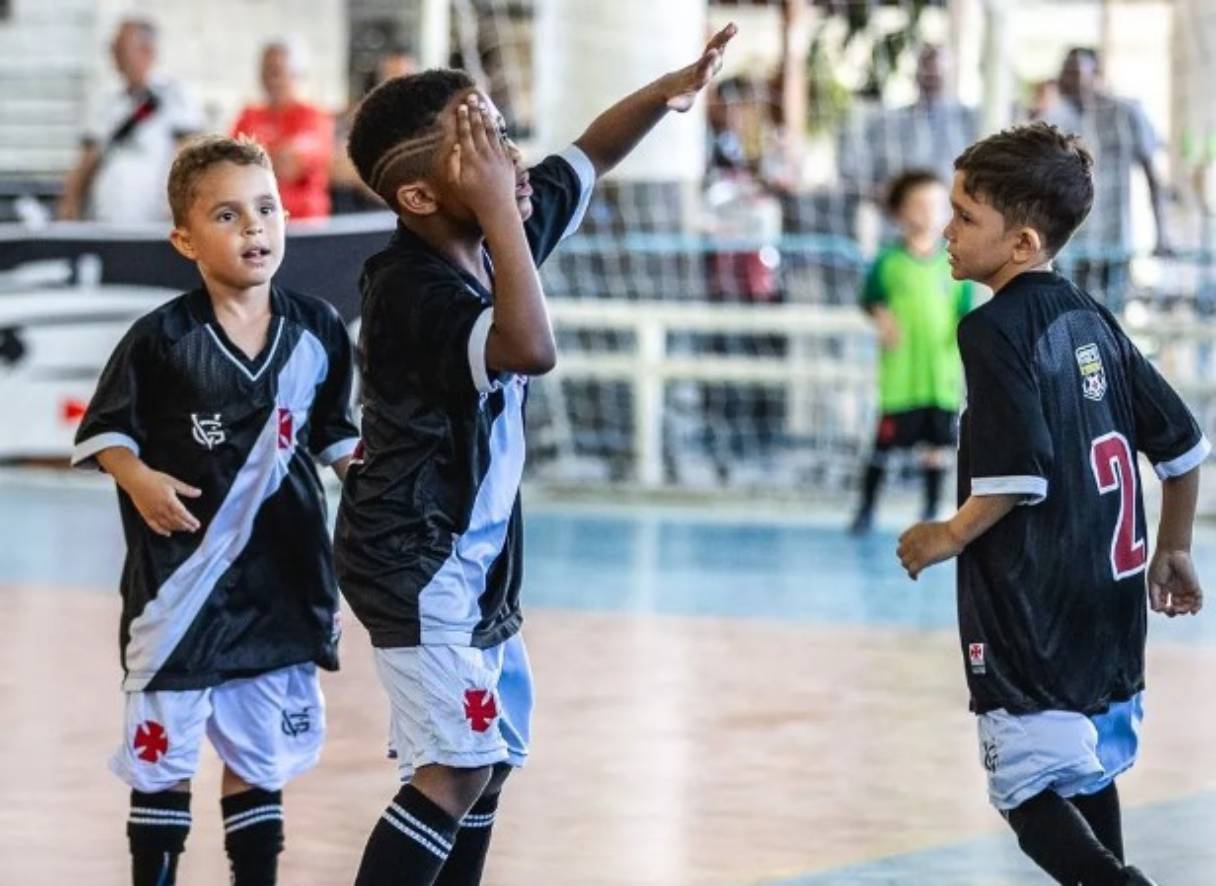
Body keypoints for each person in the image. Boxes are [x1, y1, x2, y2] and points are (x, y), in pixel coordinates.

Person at [333, 23, 737, 886]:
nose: (511, 161)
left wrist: (672, 87)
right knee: (455, 767)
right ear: (420, 198)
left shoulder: (489, 232)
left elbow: (591, 151)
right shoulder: (409, 288)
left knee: (490, 755)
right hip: (413, 556)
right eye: (479, 151)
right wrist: (500, 217)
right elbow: (529, 347)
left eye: (503, 136)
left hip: (472, 562)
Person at [897, 122, 1208, 886]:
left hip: (1032, 611)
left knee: (1028, 789)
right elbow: (1184, 444)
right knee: (1085, 772)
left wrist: (946, 534)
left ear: (1023, 243)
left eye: (966, 216)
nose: (947, 228)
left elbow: (1017, 472)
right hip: (1107, 611)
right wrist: (1173, 548)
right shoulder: (1091, 316)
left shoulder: (992, 328)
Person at [70, 135, 359, 886]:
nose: (254, 228)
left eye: (266, 209)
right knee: (163, 760)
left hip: (284, 580)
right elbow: (107, 434)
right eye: (227, 215)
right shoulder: (161, 339)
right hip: (180, 584)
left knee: (258, 758)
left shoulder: (319, 330)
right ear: (184, 238)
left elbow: (336, 440)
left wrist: (373, 482)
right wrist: (137, 479)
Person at [850, 169, 972, 534]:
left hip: (940, 375)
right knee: (884, 446)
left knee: (936, 448)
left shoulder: (954, 263)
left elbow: (965, 312)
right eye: (919, 205)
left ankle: (932, 508)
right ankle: (866, 509)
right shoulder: (888, 261)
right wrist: (882, 317)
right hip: (901, 376)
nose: (928, 212)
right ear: (900, 211)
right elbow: (869, 298)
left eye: (936, 205)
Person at [1039, 47, 1173, 312]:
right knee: (1068, 319)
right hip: (1069, 247)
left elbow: (1152, 176)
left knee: (1111, 321)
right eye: (1066, 73)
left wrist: (1162, 234)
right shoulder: (1054, 119)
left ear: (1095, 73)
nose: (1070, 79)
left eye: (1077, 72)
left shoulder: (1126, 114)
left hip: (1115, 243)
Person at [57, 18, 204, 223]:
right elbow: (88, 157)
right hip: (105, 215)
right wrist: (70, 201)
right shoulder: (104, 99)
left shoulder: (175, 96)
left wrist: (180, 206)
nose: (115, 56)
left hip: (155, 218)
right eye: (113, 49)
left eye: (121, 49)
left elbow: (187, 152)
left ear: (147, 51)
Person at [838, 44, 979, 202]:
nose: (931, 82)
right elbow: (856, 176)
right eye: (927, 74)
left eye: (936, 76)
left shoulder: (969, 121)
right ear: (917, 76)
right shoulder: (889, 125)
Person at [232, 40, 335, 220]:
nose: (270, 80)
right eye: (265, 72)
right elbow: (228, 168)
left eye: (276, 72)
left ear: (295, 74)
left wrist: (252, 161)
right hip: (257, 226)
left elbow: (288, 165)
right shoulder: (248, 116)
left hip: (304, 225)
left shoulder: (313, 117)